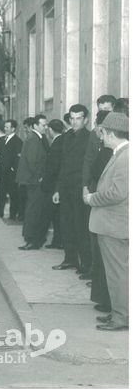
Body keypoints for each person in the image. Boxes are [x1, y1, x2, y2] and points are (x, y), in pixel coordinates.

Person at [83, 112, 129, 331]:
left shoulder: (125, 157)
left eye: (102, 132)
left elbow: (119, 192)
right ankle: (118, 313)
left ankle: (121, 318)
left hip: (114, 225)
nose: (100, 137)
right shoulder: (121, 153)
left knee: (117, 274)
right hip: (114, 224)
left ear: (111, 133)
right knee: (119, 272)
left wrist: (93, 198)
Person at [52, 104, 91, 273]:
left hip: (80, 189)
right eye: (72, 119)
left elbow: (89, 166)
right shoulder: (66, 137)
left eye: (79, 118)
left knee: (80, 227)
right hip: (66, 188)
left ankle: (86, 265)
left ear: (86, 120)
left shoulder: (90, 138)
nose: (74, 122)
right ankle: (70, 259)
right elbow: (63, 164)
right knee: (66, 224)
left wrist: (86, 188)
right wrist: (57, 189)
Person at [85, 111, 113, 311]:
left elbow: (95, 171)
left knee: (106, 261)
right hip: (108, 213)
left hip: (107, 213)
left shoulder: (108, 151)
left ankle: (109, 303)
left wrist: (91, 196)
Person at [16, 115, 49, 250]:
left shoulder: (37, 138)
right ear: (35, 126)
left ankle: (34, 239)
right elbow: (32, 161)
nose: (45, 128)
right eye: (43, 125)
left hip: (33, 180)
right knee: (33, 211)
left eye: (46, 125)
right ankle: (30, 239)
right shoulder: (34, 139)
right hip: (34, 181)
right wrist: (39, 176)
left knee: (35, 210)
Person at [42, 119, 65, 249]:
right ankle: (57, 241)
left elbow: (53, 167)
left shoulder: (57, 143)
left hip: (53, 185)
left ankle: (58, 241)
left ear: (51, 130)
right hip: (57, 184)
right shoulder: (61, 141)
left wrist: (46, 181)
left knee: (54, 215)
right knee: (56, 216)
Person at [0, 119, 22, 219]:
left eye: (7, 127)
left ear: (13, 129)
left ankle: (13, 214)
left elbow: (18, 157)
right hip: (1, 171)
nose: (5, 129)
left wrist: (13, 168)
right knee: (0, 192)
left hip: (10, 172)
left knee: (13, 193)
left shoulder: (18, 141)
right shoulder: (1, 139)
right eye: (5, 127)